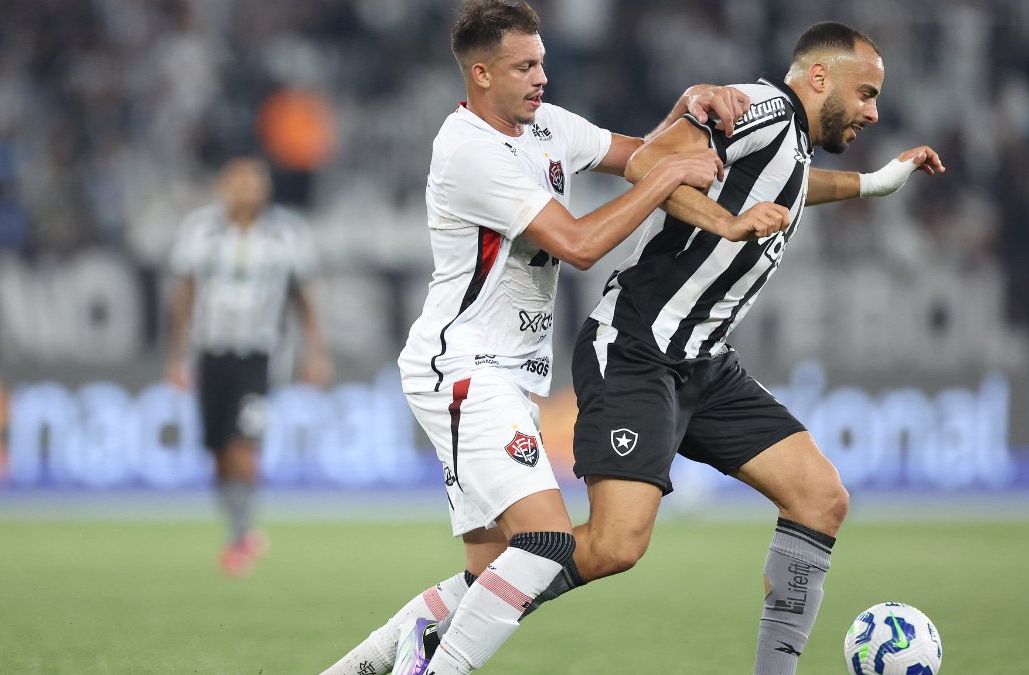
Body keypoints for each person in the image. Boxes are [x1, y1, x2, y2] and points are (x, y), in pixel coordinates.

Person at [388, 20, 948, 675]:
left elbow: (791, 182)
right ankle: (446, 633)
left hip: (705, 361)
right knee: (611, 546)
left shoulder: (791, 143)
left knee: (820, 497)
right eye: (866, 94)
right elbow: (653, 160)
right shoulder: (761, 108)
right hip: (637, 347)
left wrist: (873, 182)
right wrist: (724, 220)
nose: (873, 112)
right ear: (819, 78)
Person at [318, 1, 781, 673]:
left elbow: (642, 154)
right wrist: (668, 176)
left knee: (486, 578)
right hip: (465, 368)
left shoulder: (548, 126)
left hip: (502, 375)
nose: (541, 77)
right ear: (481, 74)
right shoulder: (469, 151)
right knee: (545, 543)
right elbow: (579, 243)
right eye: (524, 67)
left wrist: (687, 110)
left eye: (542, 62)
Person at [165, 156, 332, 578]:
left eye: (254, 183)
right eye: (239, 183)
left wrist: (315, 353)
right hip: (210, 353)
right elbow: (183, 294)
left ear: (266, 189)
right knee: (218, 450)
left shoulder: (286, 234)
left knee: (243, 444)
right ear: (223, 188)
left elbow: (305, 298)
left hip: (257, 356)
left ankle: (240, 537)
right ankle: (238, 525)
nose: (247, 191)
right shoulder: (199, 231)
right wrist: (175, 356)